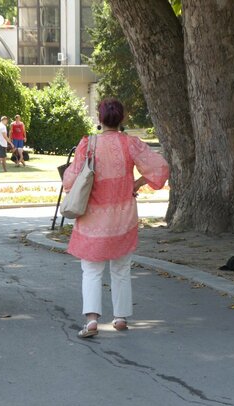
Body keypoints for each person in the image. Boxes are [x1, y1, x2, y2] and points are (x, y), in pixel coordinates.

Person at [62, 98, 169, 338]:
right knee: (121, 268)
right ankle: (120, 317)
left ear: (99, 120)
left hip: (92, 218)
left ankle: (91, 320)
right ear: (122, 119)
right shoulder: (131, 144)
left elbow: (69, 181)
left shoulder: (87, 145)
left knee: (91, 270)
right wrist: (138, 182)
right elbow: (160, 167)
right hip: (123, 217)